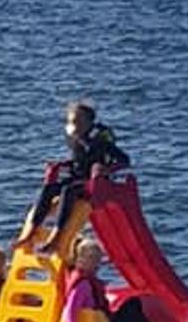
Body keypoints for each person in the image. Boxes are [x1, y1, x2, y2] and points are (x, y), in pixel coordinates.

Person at [14, 102, 130, 254]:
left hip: (94, 183)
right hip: (77, 176)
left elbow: (123, 159)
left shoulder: (99, 140)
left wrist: (106, 169)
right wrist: (63, 164)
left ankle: (55, 236)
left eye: (78, 122)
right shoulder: (76, 138)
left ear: (89, 122)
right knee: (49, 188)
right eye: (72, 121)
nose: (74, 125)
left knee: (68, 190)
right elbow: (79, 160)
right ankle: (31, 231)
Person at [61, 237, 154, 322]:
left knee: (133, 303)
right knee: (132, 307)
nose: (96, 263)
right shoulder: (82, 286)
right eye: (92, 259)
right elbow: (70, 313)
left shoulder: (88, 281)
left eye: (98, 259)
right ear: (80, 260)